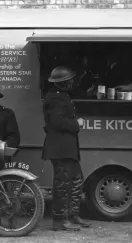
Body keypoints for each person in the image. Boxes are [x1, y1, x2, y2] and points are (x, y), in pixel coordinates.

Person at [42, 65, 91, 231]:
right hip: (60, 147)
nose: (72, 82)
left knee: (76, 181)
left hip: (66, 147)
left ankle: (72, 214)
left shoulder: (61, 96)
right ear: (62, 83)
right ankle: (60, 220)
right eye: (69, 80)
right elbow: (57, 122)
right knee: (63, 184)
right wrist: (76, 124)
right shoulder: (55, 98)